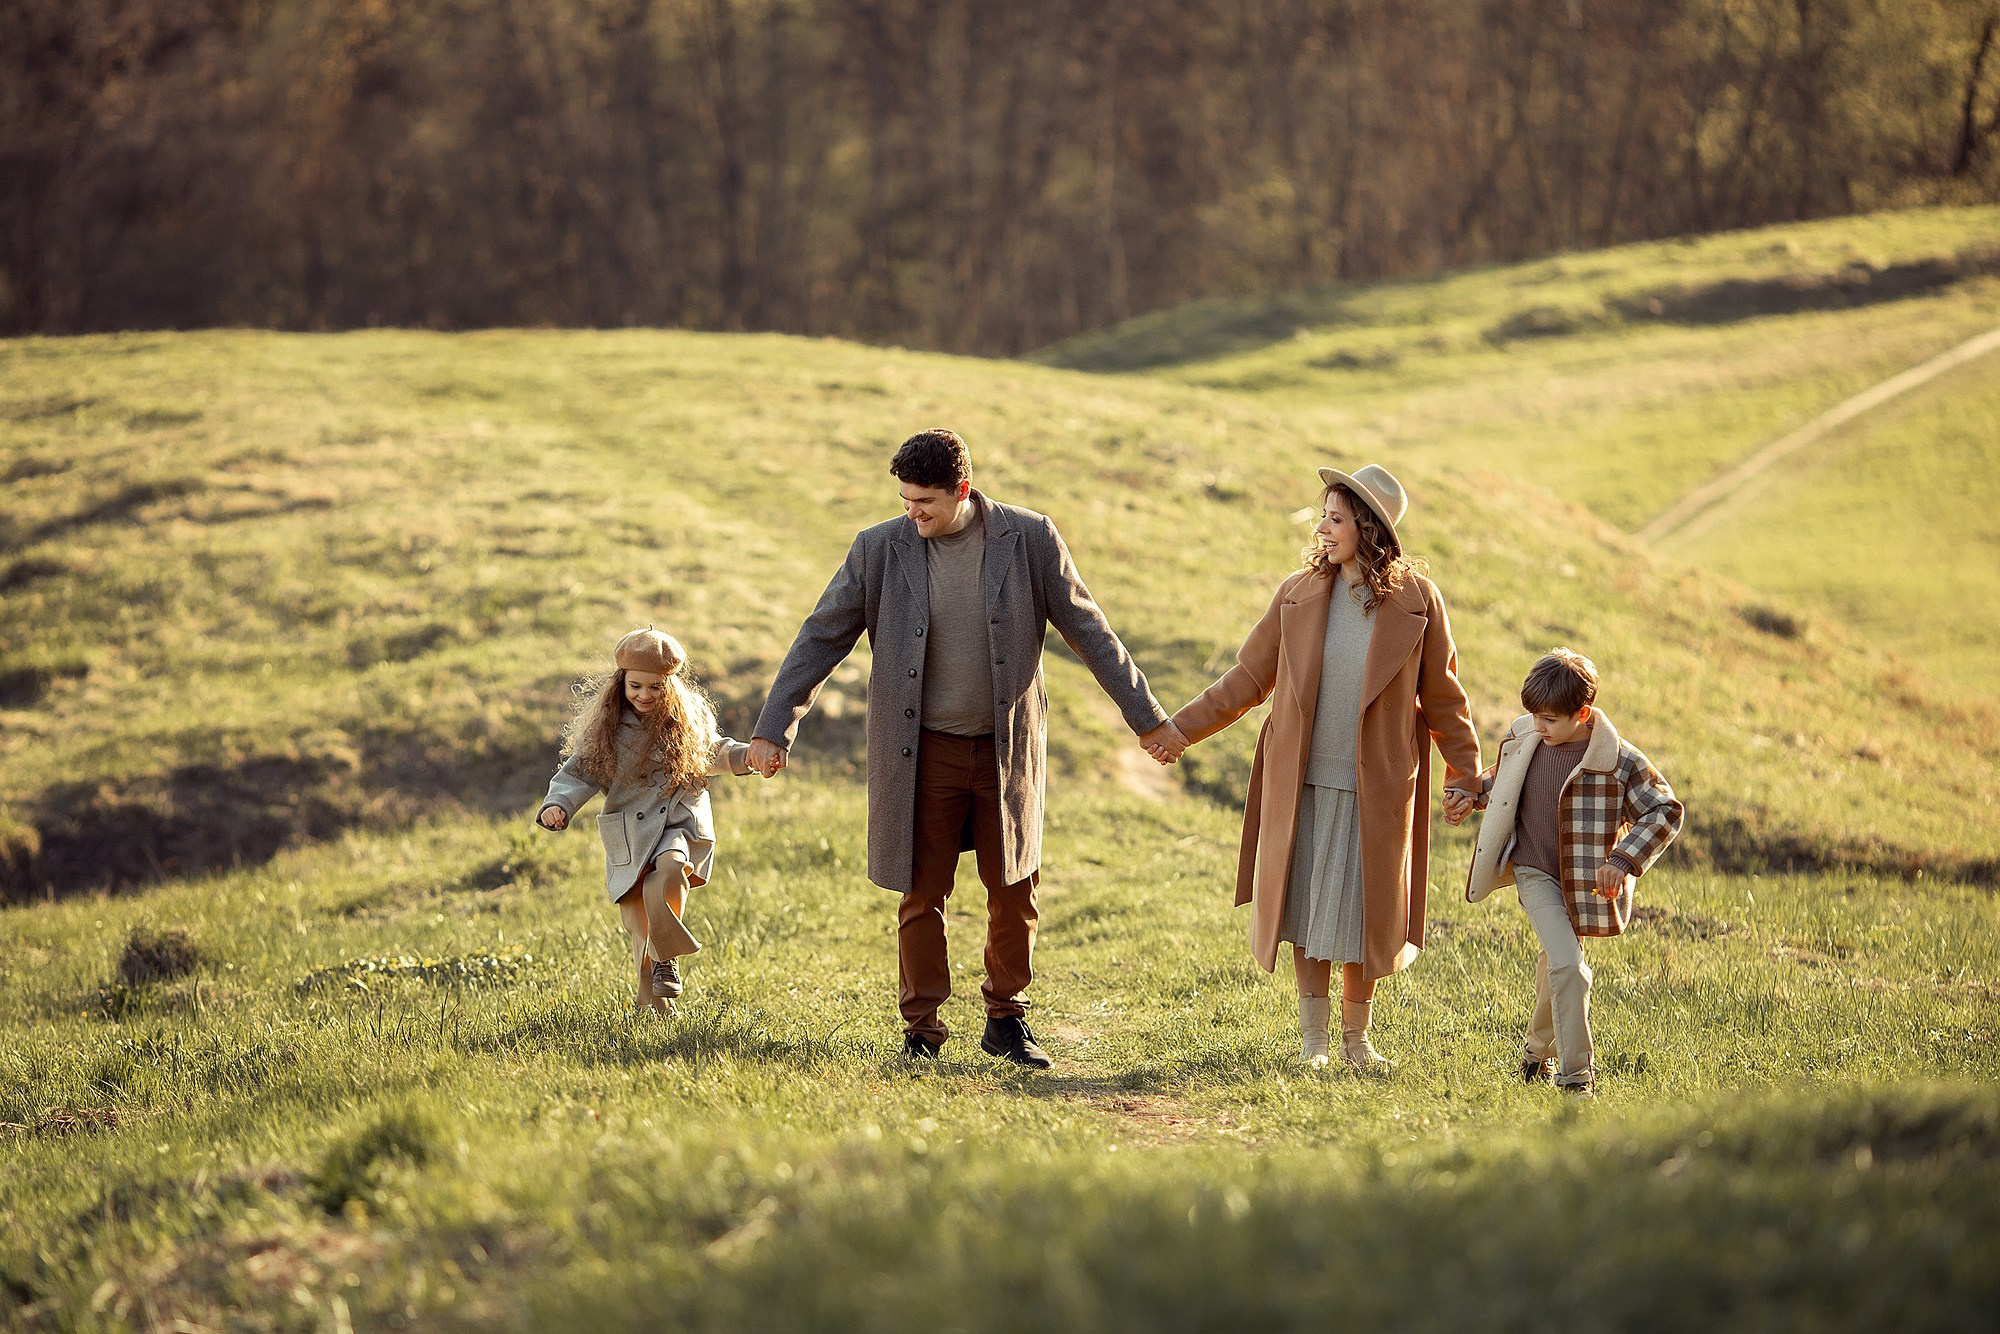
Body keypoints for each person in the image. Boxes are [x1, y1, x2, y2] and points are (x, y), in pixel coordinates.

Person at [748, 428, 1182, 1067]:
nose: (912, 513)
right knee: (922, 892)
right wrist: (773, 725)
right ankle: (921, 1031)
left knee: (1014, 888)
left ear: (963, 491)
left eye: (924, 501)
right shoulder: (879, 549)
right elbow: (821, 637)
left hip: (1008, 750)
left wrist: (1146, 717)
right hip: (921, 755)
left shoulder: (1030, 539)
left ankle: (1007, 1020)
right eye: (905, 501)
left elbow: (1090, 629)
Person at [1151, 464, 1482, 1073]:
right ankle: (1314, 1042)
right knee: (1306, 908)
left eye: (1336, 518)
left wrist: (1464, 773)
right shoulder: (1297, 593)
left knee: (1364, 913)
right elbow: (1249, 679)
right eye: (1323, 516)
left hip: (1376, 785)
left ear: (1369, 527)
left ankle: (1357, 1041)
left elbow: (1443, 696)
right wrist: (1180, 729)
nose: (1323, 529)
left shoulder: (1418, 602)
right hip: (1300, 781)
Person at [1462, 648, 1685, 1095]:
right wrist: (1467, 795)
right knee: (1570, 965)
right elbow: (1502, 781)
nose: (1537, 727)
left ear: (1582, 713)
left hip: (1583, 885)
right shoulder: (1527, 737)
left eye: (1548, 719)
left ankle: (1532, 1057)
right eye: (1534, 717)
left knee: (1555, 967)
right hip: (1534, 872)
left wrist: (1622, 860)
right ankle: (1576, 1077)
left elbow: (1665, 810)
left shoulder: (1619, 760)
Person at [536, 627, 760, 1015]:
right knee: (641, 924)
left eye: (655, 688)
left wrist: (748, 758)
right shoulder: (605, 730)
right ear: (621, 683)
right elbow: (579, 773)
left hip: (677, 822)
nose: (644, 695)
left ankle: (666, 959)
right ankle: (654, 1007)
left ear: (670, 686)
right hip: (631, 833)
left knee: (671, 868)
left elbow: (715, 750)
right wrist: (558, 805)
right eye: (635, 686)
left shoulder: (686, 722)